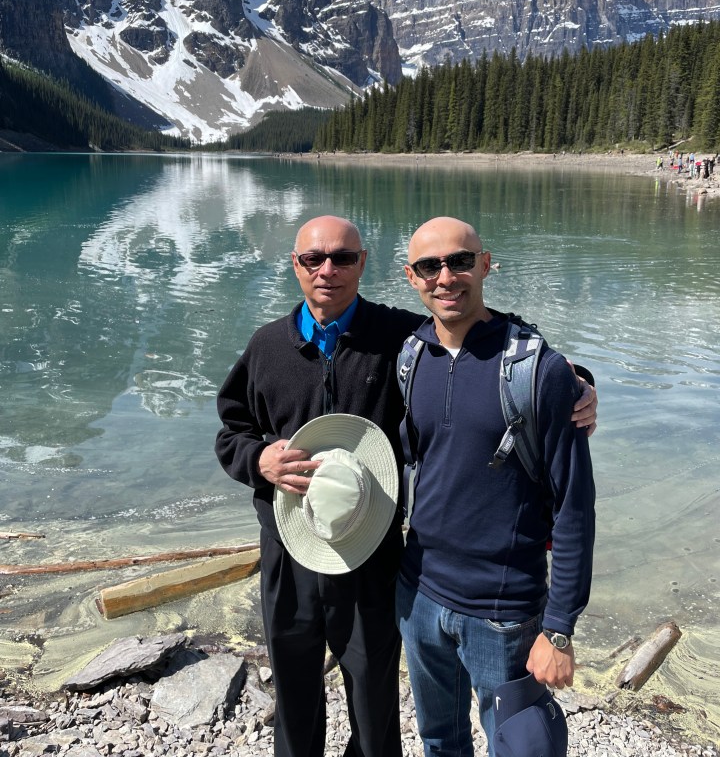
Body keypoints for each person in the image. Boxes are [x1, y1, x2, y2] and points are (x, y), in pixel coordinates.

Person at [215, 215, 597, 757]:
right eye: (313, 259)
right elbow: (231, 430)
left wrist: (577, 382)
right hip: (294, 552)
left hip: (376, 557)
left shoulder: (396, 336)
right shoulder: (269, 346)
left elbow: (494, 347)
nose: (329, 270)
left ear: (364, 265)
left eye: (343, 258)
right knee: (297, 696)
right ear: (296, 265)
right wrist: (258, 460)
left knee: (376, 701)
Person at [396, 217, 596, 757]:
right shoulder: (411, 357)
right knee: (439, 740)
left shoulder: (540, 370)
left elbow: (575, 506)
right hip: (418, 595)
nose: (446, 277)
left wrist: (558, 629)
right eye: (429, 267)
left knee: (520, 746)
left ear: (485, 265)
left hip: (503, 610)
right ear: (410, 277)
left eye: (460, 261)